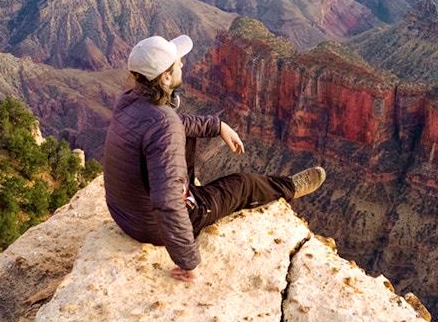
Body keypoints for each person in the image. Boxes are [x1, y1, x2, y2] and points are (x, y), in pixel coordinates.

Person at [103, 34, 326, 282]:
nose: (183, 64)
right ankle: (290, 187)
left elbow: (174, 125)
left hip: (125, 215)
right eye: (178, 62)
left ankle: (186, 185)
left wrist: (216, 125)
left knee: (185, 138)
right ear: (165, 77)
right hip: (151, 227)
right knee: (244, 183)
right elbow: (167, 201)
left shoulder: (130, 101)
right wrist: (188, 261)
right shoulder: (164, 123)